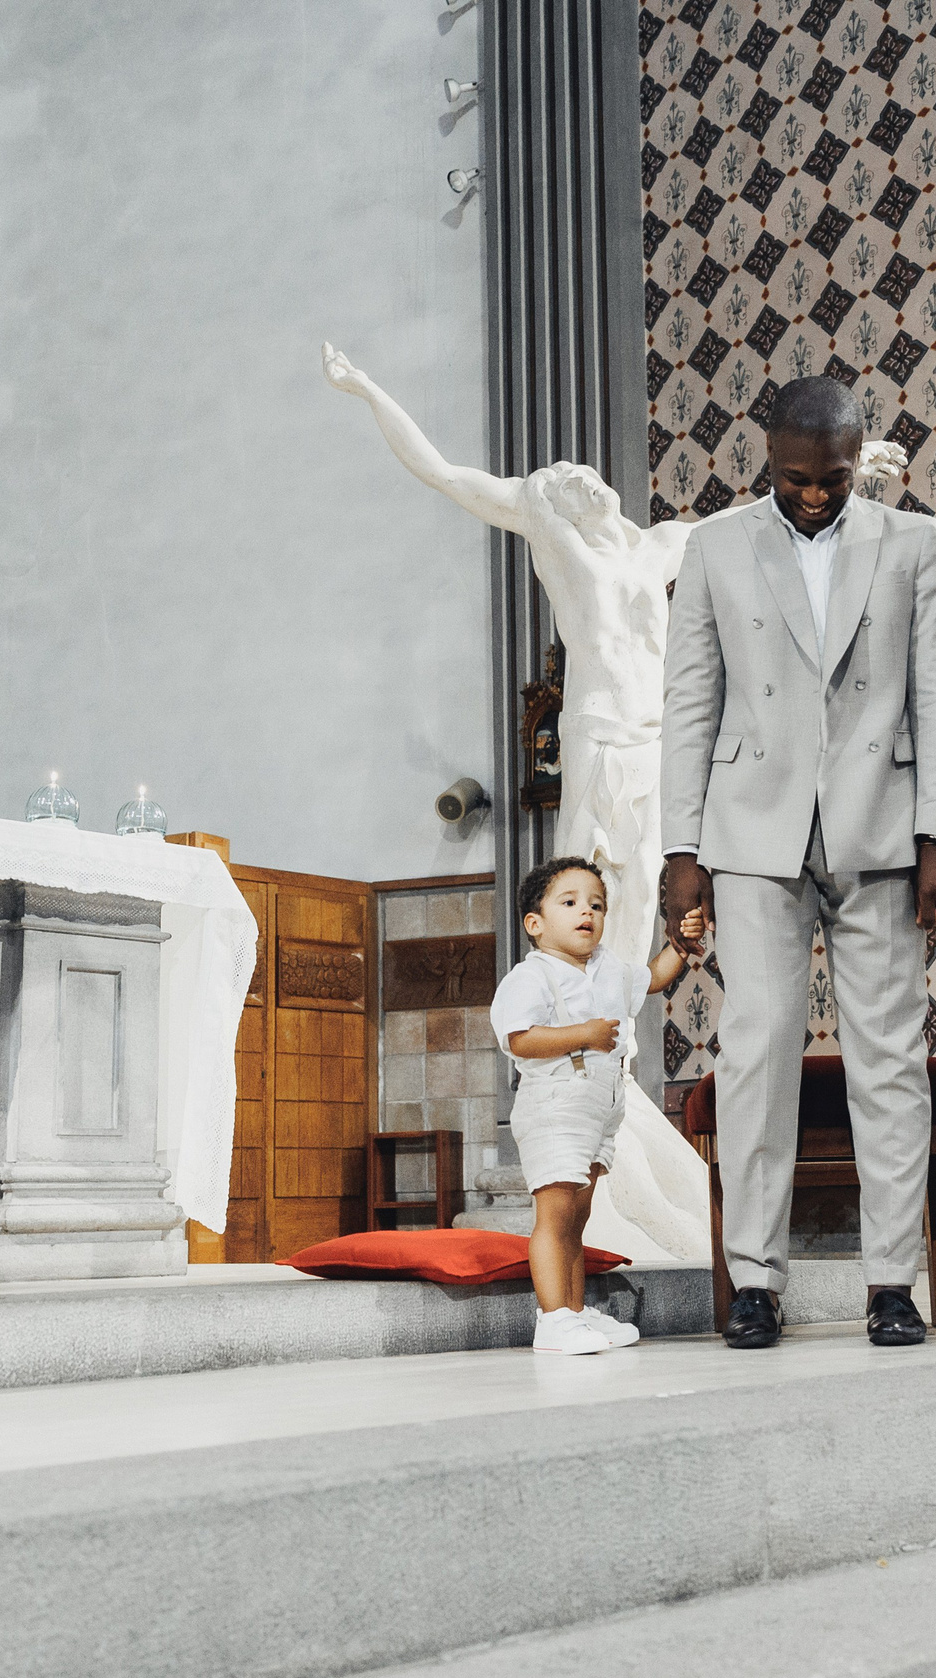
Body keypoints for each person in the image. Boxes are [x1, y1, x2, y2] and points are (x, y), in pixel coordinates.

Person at [322, 341, 749, 1267]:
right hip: (597, 735)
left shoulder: (656, 546)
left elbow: (750, 515)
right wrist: (368, 387)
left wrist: (856, 481)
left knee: (637, 911)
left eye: (580, 476)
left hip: (656, 745)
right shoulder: (548, 530)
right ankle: (589, 1082)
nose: (572, 481)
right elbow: (441, 471)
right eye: (557, 479)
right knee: (586, 902)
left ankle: (617, 1074)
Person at [660, 374, 936, 1352]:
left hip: (880, 823)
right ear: (769, 455)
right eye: (795, 478)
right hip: (753, 830)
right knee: (756, 1052)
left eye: (831, 479)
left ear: (856, 458)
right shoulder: (714, 546)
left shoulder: (913, 543)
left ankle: (891, 1282)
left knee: (889, 1055)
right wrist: (680, 847)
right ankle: (755, 1279)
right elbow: (690, 701)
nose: (811, 495)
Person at [491, 856, 704, 1354]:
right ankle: (553, 1320)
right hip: (554, 1108)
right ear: (535, 924)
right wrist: (582, 1034)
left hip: (599, 1110)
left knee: (578, 1215)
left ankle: (574, 1310)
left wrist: (680, 944)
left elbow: (653, 978)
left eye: (597, 905)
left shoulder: (608, 968)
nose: (587, 912)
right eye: (569, 903)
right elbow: (520, 1039)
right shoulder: (532, 976)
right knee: (555, 1214)